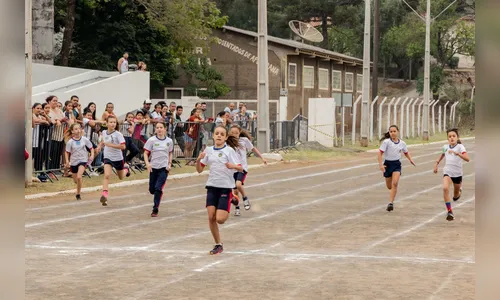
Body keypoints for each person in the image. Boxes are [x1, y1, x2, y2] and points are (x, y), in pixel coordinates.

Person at [196, 126, 243, 255]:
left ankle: (232, 197)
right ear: (213, 135)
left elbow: (240, 168)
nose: (219, 136)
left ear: (226, 137)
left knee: (220, 219)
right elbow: (200, 170)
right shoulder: (208, 150)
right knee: (211, 217)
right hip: (211, 186)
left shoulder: (229, 151)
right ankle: (218, 244)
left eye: (222, 134)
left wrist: (232, 165)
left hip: (225, 187)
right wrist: (199, 159)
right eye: (217, 133)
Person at [229, 124, 267, 216]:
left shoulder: (244, 141)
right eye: (232, 133)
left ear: (239, 133)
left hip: (242, 168)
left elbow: (253, 149)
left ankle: (245, 198)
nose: (234, 134)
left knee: (238, 185)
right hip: (232, 169)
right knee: (235, 191)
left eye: (236, 133)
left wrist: (262, 158)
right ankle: (237, 208)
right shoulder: (228, 142)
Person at [433, 128, 470, 221]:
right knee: (445, 188)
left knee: (455, 196)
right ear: (447, 139)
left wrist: (458, 154)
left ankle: (459, 191)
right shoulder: (445, 147)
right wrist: (436, 163)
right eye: (449, 137)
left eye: (453, 136)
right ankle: (450, 211)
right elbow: (442, 155)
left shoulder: (460, 147)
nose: (452, 138)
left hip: (457, 174)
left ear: (457, 137)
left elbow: (467, 159)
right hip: (447, 172)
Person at [377, 125, 416, 212]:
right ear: (389, 133)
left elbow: (406, 152)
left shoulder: (402, 143)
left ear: (397, 131)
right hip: (387, 164)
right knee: (389, 186)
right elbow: (379, 153)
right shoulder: (386, 142)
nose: (393, 133)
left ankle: (391, 203)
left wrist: (410, 160)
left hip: (396, 164)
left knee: (395, 183)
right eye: (391, 132)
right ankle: (392, 194)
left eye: (394, 131)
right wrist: (381, 165)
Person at [99, 115, 130, 206]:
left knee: (121, 177)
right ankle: (104, 195)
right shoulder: (104, 132)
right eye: (111, 122)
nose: (112, 124)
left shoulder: (118, 134)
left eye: (114, 122)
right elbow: (103, 142)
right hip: (108, 157)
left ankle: (126, 169)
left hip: (118, 158)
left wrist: (110, 145)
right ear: (107, 123)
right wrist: (99, 147)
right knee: (107, 175)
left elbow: (123, 147)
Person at [144, 122, 174, 217]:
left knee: (158, 188)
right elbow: (145, 153)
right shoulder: (151, 140)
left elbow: (170, 153)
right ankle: (157, 193)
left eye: (161, 127)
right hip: (153, 168)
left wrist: (169, 164)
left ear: (165, 129)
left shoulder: (169, 141)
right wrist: (148, 164)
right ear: (155, 129)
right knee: (152, 190)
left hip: (163, 168)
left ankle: (155, 208)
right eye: (157, 127)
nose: (159, 129)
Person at [64, 123, 94, 201]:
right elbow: (66, 152)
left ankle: (78, 193)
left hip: (83, 160)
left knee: (79, 176)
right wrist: (67, 161)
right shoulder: (70, 142)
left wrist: (92, 155)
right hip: (74, 162)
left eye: (79, 128)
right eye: (75, 129)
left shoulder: (85, 139)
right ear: (72, 131)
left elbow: (91, 148)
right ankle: (79, 185)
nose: (78, 130)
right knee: (75, 180)